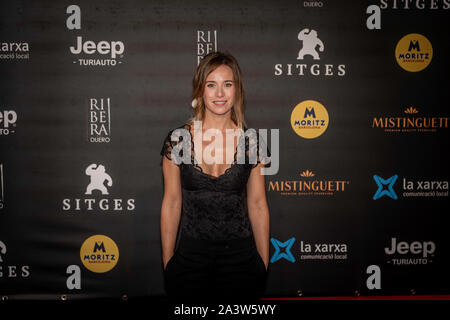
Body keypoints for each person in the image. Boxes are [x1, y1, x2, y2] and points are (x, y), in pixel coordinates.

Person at [160, 51, 271, 302]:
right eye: (211, 85)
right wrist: (168, 263)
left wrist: (264, 263)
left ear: (237, 90)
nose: (220, 94)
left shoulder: (251, 142)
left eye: (227, 84)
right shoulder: (178, 140)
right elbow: (171, 203)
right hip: (190, 260)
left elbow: (257, 204)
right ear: (200, 90)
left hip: (241, 262)